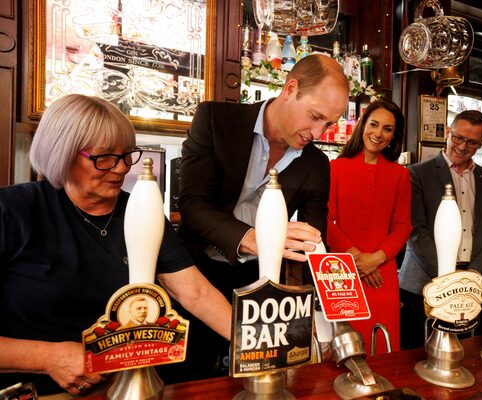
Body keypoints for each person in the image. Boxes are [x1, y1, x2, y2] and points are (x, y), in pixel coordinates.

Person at [0, 94, 232, 396]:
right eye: (105, 158)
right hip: (34, 389)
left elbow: (195, 292)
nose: (122, 168)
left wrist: (255, 344)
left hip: (123, 386)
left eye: (126, 155)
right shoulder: (12, 210)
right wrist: (47, 358)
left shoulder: (141, 210)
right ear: (62, 153)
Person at [178, 54, 349, 374]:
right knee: (192, 375)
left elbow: (314, 245)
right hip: (195, 274)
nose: (318, 132)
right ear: (290, 89)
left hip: (262, 282)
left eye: (329, 124)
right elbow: (192, 204)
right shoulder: (215, 120)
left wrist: (323, 315)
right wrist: (256, 239)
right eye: (315, 116)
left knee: (258, 375)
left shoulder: (316, 164)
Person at [398, 110, 482, 349]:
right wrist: (449, 277)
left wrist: (472, 276)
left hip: (476, 285)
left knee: (472, 356)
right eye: (458, 137)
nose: (463, 146)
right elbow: (415, 230)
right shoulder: (417, 173)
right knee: (417, 357)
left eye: (472, 142)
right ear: (447, 132)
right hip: (423, 285)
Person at [327, 100, 412, 353]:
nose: (378, 133)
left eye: (388, 129)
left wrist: (376, 258)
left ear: (394, 136)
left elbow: (403, 225)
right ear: (363, 125)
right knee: (343, 345)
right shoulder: (335, 168)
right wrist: (355, 258)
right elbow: (325, 219)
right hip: (342, 269)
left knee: (382, 344)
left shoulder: (400, 174)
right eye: (373, 124)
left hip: (382, 273)